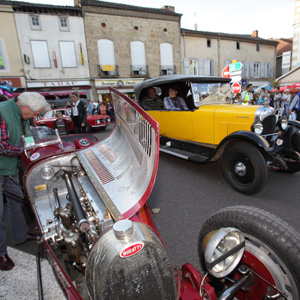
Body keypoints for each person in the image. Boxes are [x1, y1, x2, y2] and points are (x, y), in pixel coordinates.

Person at [0, 92, 48, 271]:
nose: (35, 117)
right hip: (4, 164)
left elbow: (28, 137)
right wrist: (23, 149)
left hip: (10, 167)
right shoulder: (2, 112)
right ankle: (1, 253)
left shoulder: (24, 116)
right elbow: (2, 144)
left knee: (17, 198)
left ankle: (20, 235)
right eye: (35, 114)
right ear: (25, 106)